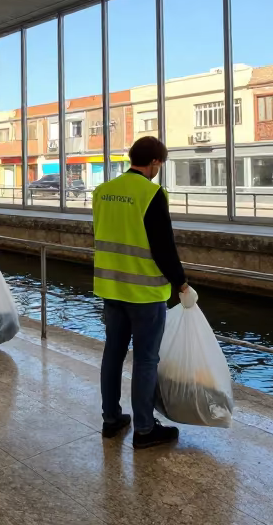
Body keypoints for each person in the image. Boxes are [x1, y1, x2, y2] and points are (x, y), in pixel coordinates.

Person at [94, 136, 187, 449]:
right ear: (156, 163)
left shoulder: (102, 192)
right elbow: (164, 247)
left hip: (111, 287)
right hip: (145, 293)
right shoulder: (151, 193)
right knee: (146, 360)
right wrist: (181, 283)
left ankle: (111, 419)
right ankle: (145, 429)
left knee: (113, 353)